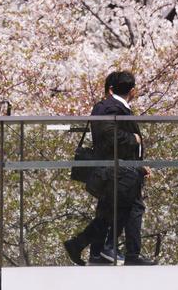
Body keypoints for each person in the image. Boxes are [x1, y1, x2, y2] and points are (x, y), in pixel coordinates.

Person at [64, 71, 156, 266]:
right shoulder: (108, 107)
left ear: (111, 88)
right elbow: (109, 135)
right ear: (133, 91)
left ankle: (92, 250)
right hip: (116, 171)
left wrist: (139, 165)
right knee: (124, 209)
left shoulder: (112, 107)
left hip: (121, 169)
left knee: (112, 211)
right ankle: (112, 250)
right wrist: (133, 139)